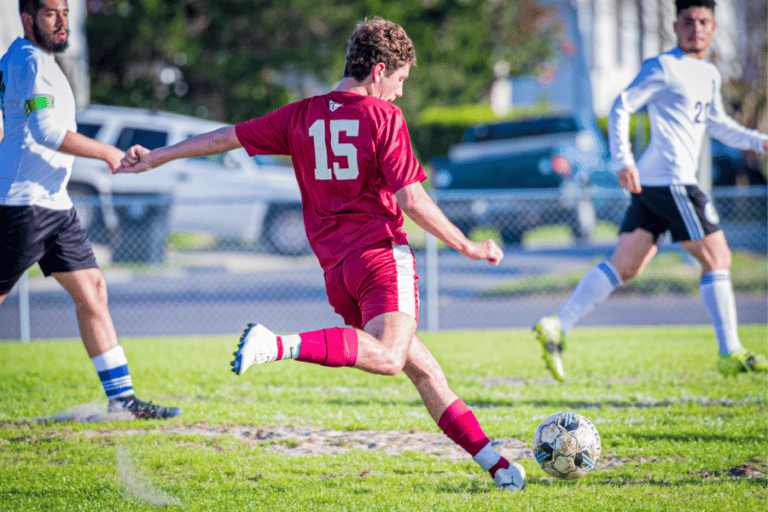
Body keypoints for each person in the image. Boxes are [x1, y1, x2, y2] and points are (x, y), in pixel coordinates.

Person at [115, 17, 525, 491]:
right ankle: (278, 344)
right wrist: (468, 245)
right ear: (378, 71)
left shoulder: (300, 115)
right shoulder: (382, 117)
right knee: (393, 359)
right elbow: (411, 200)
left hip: (338, 272)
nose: (399, 93)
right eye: (400, 80)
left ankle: (497, 466)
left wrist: (156, 157)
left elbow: (225, 137)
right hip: (379, 257)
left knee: (425, 371)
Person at [533, 0, 768, 382]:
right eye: (688, 22)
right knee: (718, 258)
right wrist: (622, 159)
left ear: (713, 25)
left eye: (704, 21)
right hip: (673, 181)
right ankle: (730, 352)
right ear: (676, 26)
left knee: (626, 265)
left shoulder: (708, 74)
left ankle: (557, 325)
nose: (696, 29)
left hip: (654, 185)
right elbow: (621, 106)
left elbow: (716, 123)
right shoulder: (662, 67)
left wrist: (758, 141)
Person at [0, 0, 182, 419]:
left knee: (93, 292)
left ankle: (122, 399)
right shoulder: (29, 61)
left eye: (65, 11)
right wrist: (108, 152)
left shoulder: (35, 59)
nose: (62, 21)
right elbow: (44, 130)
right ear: (27, 20)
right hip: (23, 204)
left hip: (54, 203)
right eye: (50, 13)